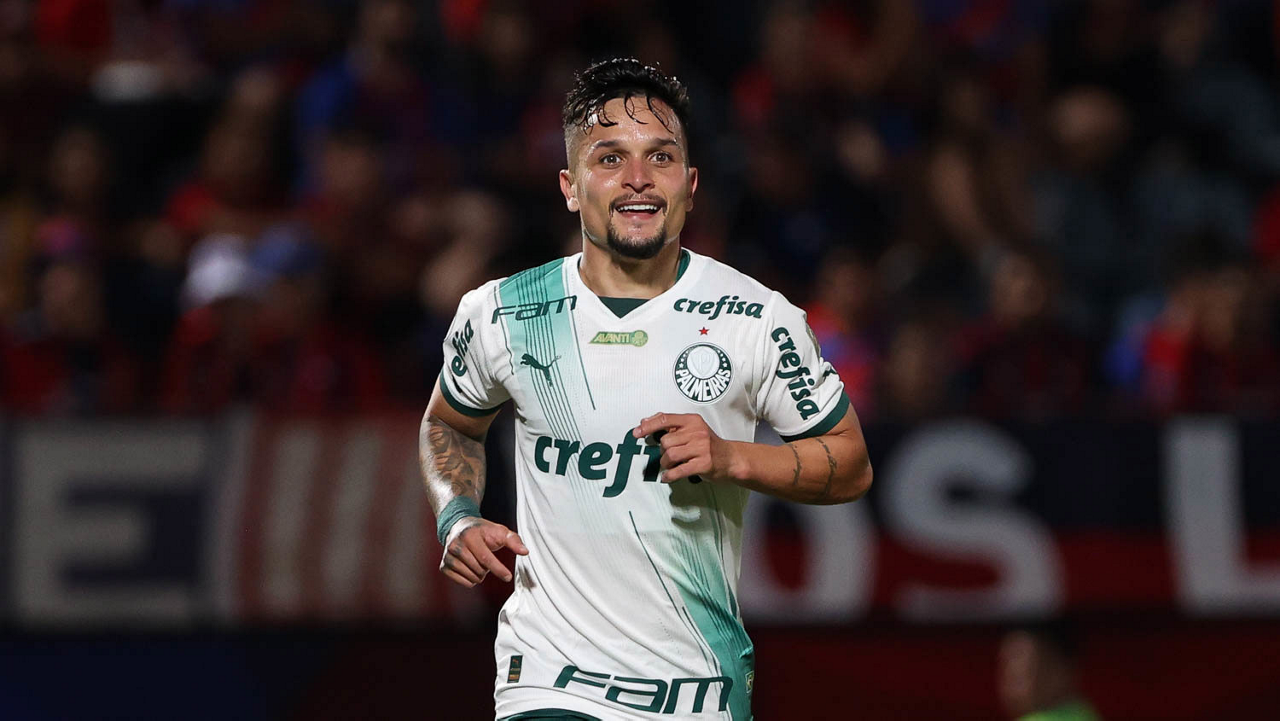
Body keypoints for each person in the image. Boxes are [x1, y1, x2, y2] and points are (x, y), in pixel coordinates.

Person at [419, 58, 873, 721]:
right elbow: (449, 423)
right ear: (570, 187)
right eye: (610, 158)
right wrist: (456, 513)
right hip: (548, 679)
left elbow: (851, 462)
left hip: (698, 685)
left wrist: (732, 457)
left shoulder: (757, 318)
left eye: (660, 156)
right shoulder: (502, 313)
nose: (638, 177)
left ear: (690, 184)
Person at [998, 620, 1101, 721]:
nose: (1011, 686)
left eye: (1023, 675)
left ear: (1060, 672)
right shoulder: (1085, 712)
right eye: (1006, 668)